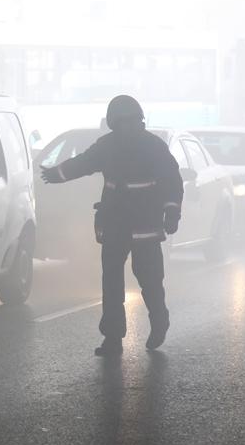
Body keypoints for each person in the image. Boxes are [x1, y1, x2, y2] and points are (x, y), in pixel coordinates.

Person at [40, 95, 183, 357]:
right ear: (115, 123)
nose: (127, 126)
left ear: (138, 121)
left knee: (149, 279)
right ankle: (113, 338)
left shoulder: (154, 147)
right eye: (123, 122)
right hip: (115, 224)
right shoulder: (107, 146)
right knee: (112, 281)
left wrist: (172, 212)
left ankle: (159, 320)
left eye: (131, 121)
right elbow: (84, 163)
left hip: (145, 226)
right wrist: (56, 174)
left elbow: (172, 180)